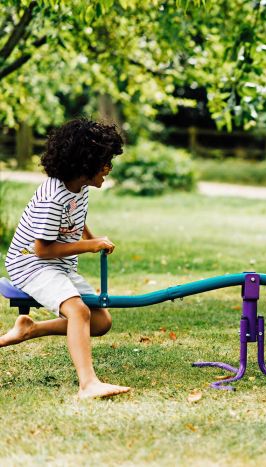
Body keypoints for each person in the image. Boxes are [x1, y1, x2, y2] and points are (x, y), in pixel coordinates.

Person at [1, 118, 131, 399]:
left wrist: (91, 238)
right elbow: (42, 250)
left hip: (57, 266)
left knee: (100, 322)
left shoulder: (79, 187)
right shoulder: (53, 197)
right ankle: (88, 384)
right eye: (105, 162)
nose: (109, 168)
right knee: (79, 311)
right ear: (85, 164)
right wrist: (89, 246)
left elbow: (76, 219)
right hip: (31, 265)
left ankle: (29, 328)